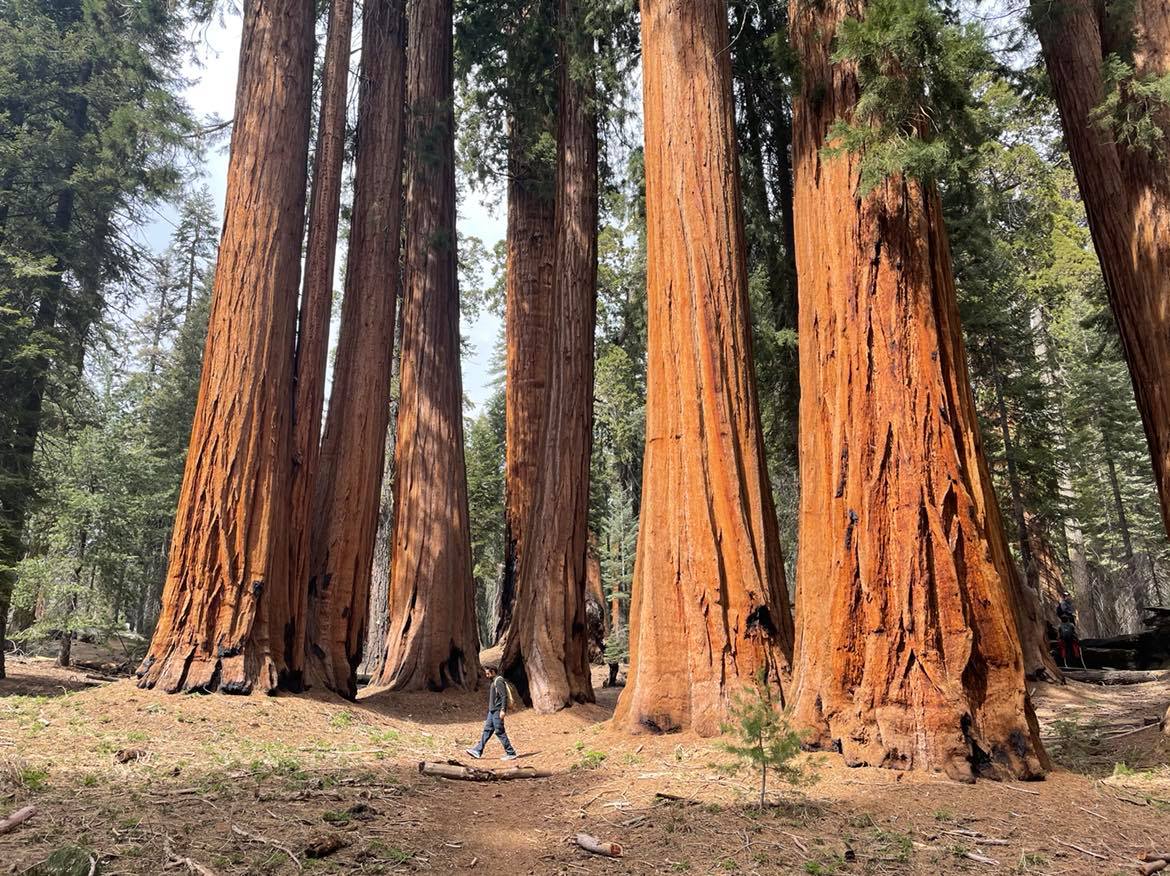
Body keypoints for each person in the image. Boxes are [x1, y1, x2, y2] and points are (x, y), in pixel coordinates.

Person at [466, 663, 517, 761]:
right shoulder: (494, 681)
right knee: (487, 730)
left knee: (499, 731)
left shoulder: (499, 681)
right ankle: (477, 750)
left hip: (497, 711)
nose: (487, 675)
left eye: (488, 673)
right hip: (492, 711)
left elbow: (504, 696)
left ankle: (511, 753)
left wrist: (503, 710)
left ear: (493, 672)